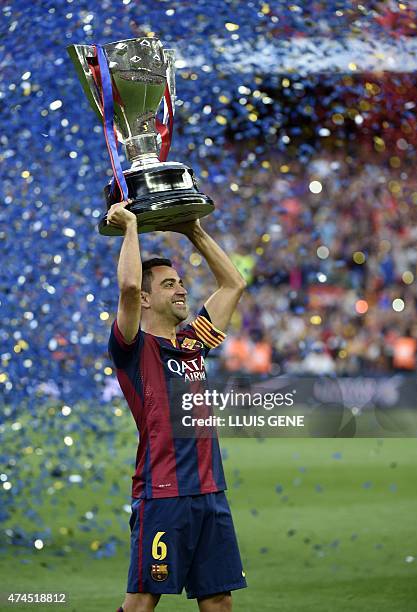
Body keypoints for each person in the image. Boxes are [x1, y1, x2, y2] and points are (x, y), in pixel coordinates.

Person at [107, 200, 247, 612]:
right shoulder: (132, 348)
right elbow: (130, 288)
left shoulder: (193, 343)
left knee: (219, 600)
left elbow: (233, 285)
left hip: (210, 492)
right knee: (142, 602)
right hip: (163, 493)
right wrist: (131, 227)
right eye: (168, 284)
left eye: (180, 281)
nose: (181, 288)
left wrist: (194, 231)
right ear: (148, 301)